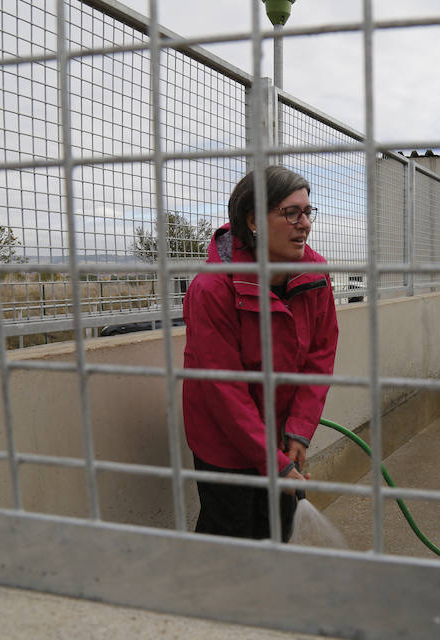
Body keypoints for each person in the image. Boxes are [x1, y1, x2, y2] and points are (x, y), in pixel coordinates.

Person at [182, 165, 338, 541]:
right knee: (231, 533)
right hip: (223, 440)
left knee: (277, 529)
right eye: (291, 213)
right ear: (253, 220)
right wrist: (274, 462)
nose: (305, 224)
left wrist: (298, 432)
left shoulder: (315, 277)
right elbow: (225, 390)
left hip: (280, 431)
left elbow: (320, 356)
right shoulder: (213, 288)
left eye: (308, 212)